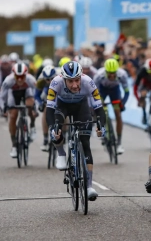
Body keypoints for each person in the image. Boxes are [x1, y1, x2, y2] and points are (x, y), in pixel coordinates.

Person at [46, 61, 106, 201]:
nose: (74, 85)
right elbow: (49, 109)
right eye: (70, 81)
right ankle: (61, 153)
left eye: (77, 80)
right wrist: (52, 128)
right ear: (63, 79)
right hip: (62, 106)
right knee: (56, 129)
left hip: (81, 107)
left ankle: (89, 186)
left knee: (85, 143)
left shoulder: (89, 82)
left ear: (81, 77)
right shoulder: (55, 83)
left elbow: (99, 109)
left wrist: (101, 125)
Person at [0, 62, 37, 157]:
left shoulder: (30, 79)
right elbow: (2, 97)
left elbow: (36, 95)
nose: (20, 79)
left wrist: (34, 108)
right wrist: (3, 108)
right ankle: (14, 145)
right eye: (17, 76)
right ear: (13, 75)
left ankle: (32, 126)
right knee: (12, 116)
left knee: (30, 106)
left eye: (22, 76)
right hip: (13, 94)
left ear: (26, 74)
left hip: (26, 92)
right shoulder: (8, 81)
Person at [93, 58, 129, 154]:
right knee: (100, 110)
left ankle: (119, 143)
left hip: (115, 90)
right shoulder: (99, 75)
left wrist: (123, 103)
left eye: (114, 73)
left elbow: (127, 92)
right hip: (102, 90)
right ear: (106, 71)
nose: (112, 75)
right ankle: (102, 130)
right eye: (109, 73)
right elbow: (93, 92)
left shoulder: (122, 75)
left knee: (118, 114)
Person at [35, 65, 58, 151]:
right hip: (47, 94)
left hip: (59, 94)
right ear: (44, 78)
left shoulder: (61, 78)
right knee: (46, 111)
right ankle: (45, 138)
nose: (50, 81)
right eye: (47, 79)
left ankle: (65, 132)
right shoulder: (40, 81)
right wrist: (40, 103)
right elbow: (36, 95)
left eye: (52, 79)